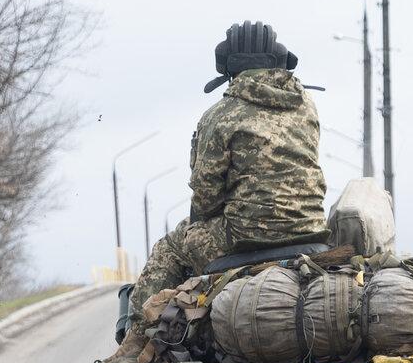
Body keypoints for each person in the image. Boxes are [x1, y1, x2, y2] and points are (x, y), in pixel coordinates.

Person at [127, 20, 329, 319]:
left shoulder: (220, 115)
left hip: (243, 236)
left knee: (170, 246)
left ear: (229, 68)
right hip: (310, 229)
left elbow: (205, 198)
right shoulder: (306, 106)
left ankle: (135, 339)